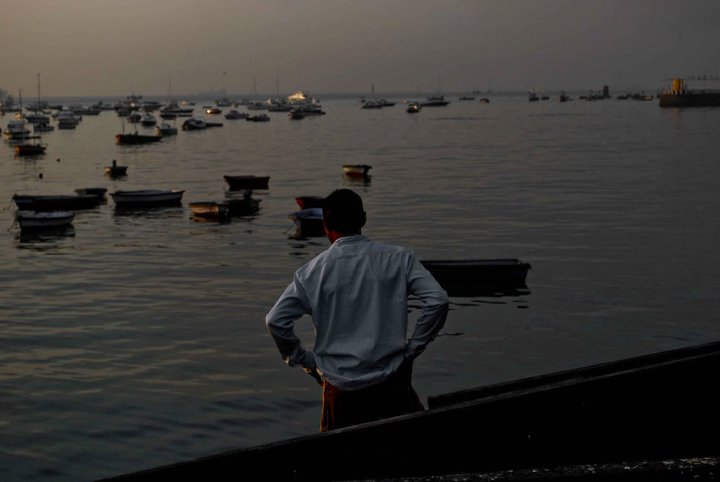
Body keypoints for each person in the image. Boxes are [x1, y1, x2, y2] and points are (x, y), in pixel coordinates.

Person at [265, 188, 449, 431]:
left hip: (341, 394)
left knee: (344, 466)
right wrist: (412, 349)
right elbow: (438, 300)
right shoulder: (399, 258)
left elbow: (275, 321)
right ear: (363, 219)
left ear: (325, 226)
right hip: (391, 386)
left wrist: (306, 361)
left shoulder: (310, 273)